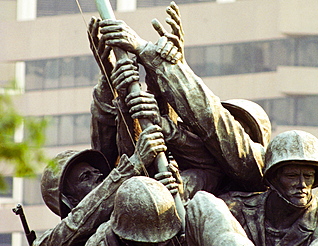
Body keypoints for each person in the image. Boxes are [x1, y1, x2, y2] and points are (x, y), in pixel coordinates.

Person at [92, 1, 271, 197]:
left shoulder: (256, 170)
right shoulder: (192, 171)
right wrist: (119, 85)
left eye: (241, 131)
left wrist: (163, 63)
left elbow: (213, 122)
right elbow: (124, 165)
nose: (227, 137)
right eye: (232, 125)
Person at [219, 130, 318, 246]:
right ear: (273, 178)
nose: (302, 184)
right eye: (292, 176)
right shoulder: (236, 207)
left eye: (308, 176)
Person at [34, 123, 168, 246]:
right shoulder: (53, 240)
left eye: (96, 171)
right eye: (86, 177)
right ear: (71, 200)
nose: (98, 176)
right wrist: (134, 164)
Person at [85, 176, 183, 246]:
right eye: (150, 243)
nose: (160, 245)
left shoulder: (171, 226)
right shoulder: (100, 243)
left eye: (164, 241)